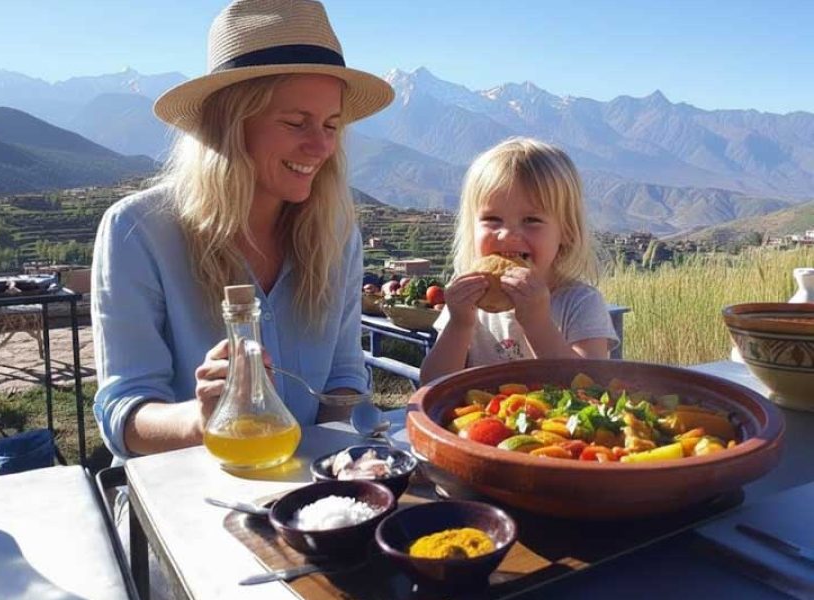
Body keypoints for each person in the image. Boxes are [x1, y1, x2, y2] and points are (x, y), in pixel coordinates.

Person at [91, 0, 395, 462]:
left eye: (331, 125)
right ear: (230, 127)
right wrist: (203, 418)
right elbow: (124, 418)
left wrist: (344, 466)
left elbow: (343, 377)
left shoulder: (337, 235)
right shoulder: (138, 232)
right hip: (183, 501)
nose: (320, 146)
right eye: (295, 122)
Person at [420, 137, 618, 384]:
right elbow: (432, 385)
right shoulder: (468, 300)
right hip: (480, 421)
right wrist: (459, 325)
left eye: (531, 220)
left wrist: (538, 324)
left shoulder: (580, 304)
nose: (508, 234)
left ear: (566, 231)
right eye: (492, 219)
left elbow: (592, 389)